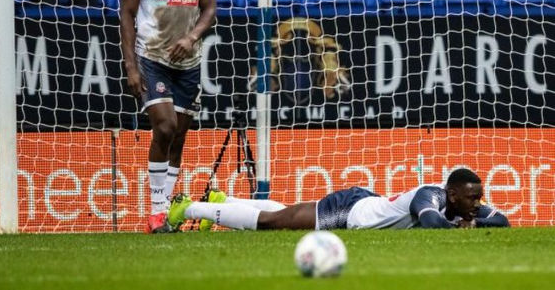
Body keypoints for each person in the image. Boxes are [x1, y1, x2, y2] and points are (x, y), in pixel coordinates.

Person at [119, 0, 217, 233]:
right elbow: (126, 14)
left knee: (178, 137)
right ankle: (157, 211)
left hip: (189, 62)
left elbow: (209, 9)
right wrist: (131, 67)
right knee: (164, 127)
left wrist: (192, 37)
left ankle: (169, 212)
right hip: (152, 58)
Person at [168, 168, 510, 231]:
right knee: (275, 223)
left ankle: (224, 200)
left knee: (286, 213)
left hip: (365, 203)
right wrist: (462, 227)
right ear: (452, 194)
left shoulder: (466, 205)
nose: (477, 203)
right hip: (350, 212)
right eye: (472, 198)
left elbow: (502, 221)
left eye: (478, 198)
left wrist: (476, 220)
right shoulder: (430, 195)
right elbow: (432, 221)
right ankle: (188, 208)